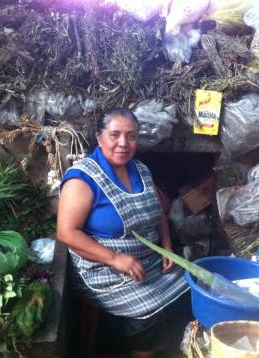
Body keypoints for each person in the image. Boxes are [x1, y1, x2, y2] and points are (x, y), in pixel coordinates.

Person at [57, 108, 189, 357]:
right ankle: (143, 352)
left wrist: (167, 246)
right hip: (103, 271)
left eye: (131, 136)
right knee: (148, 314)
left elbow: (158, 211)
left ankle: (174, 347)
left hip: (148, 260)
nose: (123, 144)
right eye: (114, 135)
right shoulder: (82, 179)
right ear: (99, 138)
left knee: (190, 291)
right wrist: (115, 259)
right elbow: (66, 233)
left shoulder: (140, 169)